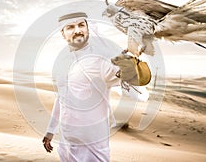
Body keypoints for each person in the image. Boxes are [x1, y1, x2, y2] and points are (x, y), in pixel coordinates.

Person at [42, 12, 147, 162]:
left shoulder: (101, 59)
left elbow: (119, 74)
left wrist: (128, 69)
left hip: (93, 142)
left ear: (88, 29)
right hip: (67, 139)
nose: (77, 30)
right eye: (70, 27)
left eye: (81, 25)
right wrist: (50, 130)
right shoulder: (62, 62)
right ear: (63, 34)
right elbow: (61, 98)